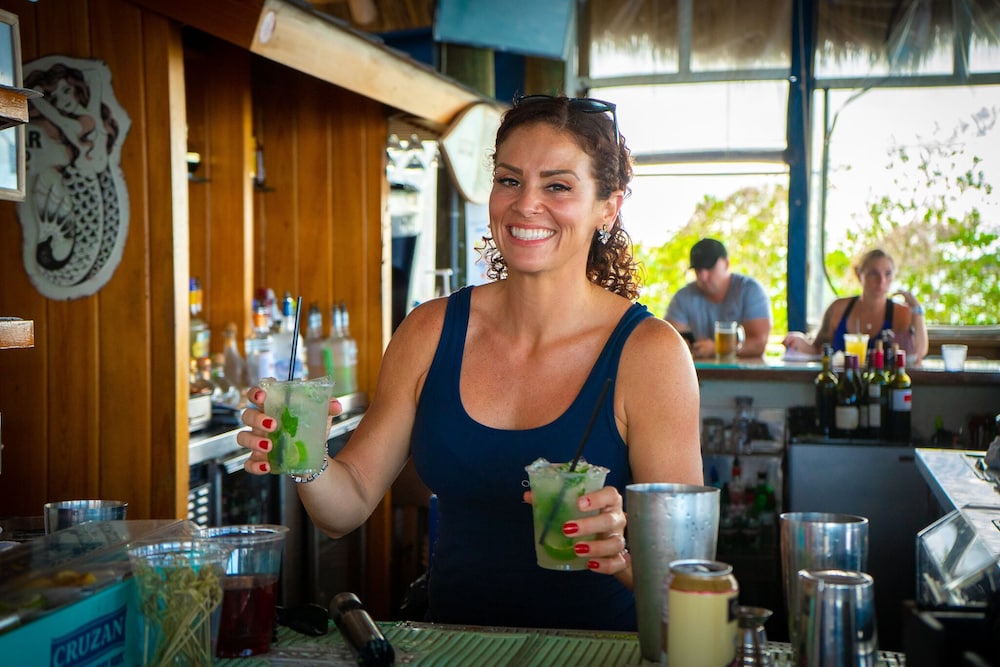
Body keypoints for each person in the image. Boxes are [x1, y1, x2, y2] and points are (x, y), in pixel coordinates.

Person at [237, 94, 702, 631]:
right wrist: (306, 456)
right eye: (509, 180)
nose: (526, 204)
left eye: (557, 186)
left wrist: (621, 556)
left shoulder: (651, 355)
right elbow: (347, 505)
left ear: (608, 207)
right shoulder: (430, 331)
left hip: (599, 653)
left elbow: (687, 585)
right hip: (450, 646)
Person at [783, 248, 928, 363]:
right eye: (874, 273)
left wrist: (917, 310)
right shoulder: (839, 309)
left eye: (888, 274)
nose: (881, 280)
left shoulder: (900, 313)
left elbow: (918, 353)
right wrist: (799, 341)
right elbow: (817, 349)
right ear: (859, 275)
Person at [664, 238, 772, 358]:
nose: (703, 276)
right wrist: (683, 346)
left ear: (726, 264)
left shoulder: (750, 290)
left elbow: (759, 343)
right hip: (697, 369)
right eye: (698, 270)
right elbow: (667, 342)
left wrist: (717, 348)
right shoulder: (682, 297)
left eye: (709, 268)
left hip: (744, 369)